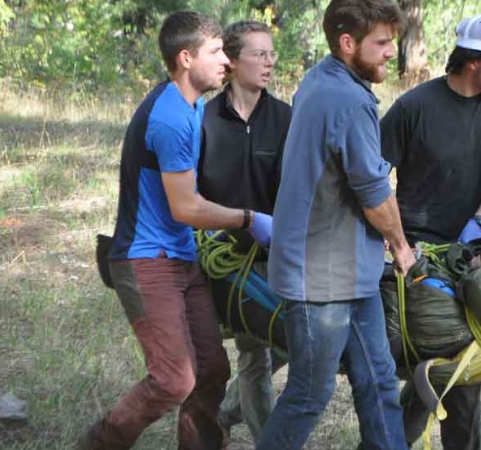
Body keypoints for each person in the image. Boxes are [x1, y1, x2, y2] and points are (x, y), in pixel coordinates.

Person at [79, 11, 272, 450]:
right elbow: (185, 207)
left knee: (211, 371)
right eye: (216, 51)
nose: (227, 60)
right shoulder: (168, 117)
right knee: (173, 379)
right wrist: (249, 219)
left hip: (182, 258)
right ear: (186, 58)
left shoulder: (189, 106)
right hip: (145, 261)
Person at [256, 1, 415, 449]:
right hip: (321, 279)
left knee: (379, 380)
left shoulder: (321, 78)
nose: (390, 52)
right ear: (348, 43)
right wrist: (401, 246)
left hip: (351, 270)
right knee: (309, 392)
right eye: (381, 43)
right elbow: (375, 194)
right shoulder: (347, 99)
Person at [379, 13, 481, 450]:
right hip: (415, 256)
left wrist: (478, 221)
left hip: (475, 258)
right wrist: (398, 244)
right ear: (471, 61)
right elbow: (372, 180)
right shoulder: (413, 107)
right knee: (417, 360)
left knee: (465, 368)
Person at [197, 20, 291, 445]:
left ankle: (229, 408)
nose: (269, 61)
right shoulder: (203, 118)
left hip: (277, 253)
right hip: (223, 257)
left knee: (285, 342)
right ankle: (263, 438)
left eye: (272, 53)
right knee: (255, 353)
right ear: (231, 62)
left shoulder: (287, 117)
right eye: (259, 53)